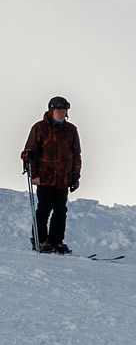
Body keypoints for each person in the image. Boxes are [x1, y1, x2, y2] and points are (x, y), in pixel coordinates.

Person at [20, 96, 81, 255]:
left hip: (63, 178)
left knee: (61, 210)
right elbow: (30, 151)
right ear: (51, 111)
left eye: (64, 110)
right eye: (58, 110)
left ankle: (56, 241)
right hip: (45, 177)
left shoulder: (71, 130)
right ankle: (40, 241)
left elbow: (76, 155)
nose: (62, 113)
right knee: (44, 208)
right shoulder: (40, 128)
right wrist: (34, 173)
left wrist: (75, 177)